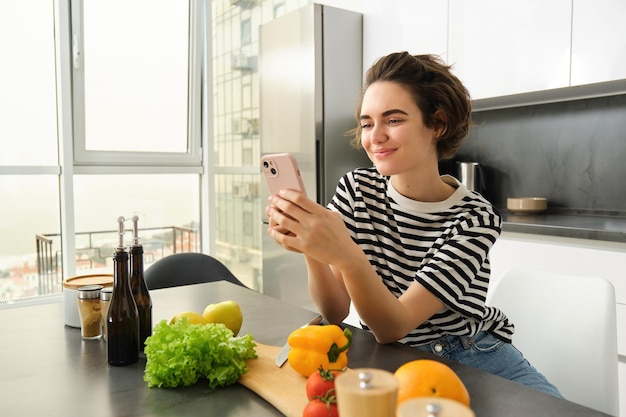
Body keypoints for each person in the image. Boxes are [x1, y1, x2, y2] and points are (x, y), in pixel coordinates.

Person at [265, 51, 561, 397]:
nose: (375, 136)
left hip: (470, 355)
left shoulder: (474, 219)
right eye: (366, 123)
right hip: (390, 358)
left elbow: (395, 325)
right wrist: (310, 246)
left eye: (393, 120)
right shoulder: (356, 190)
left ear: (437, 124)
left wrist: (344, 252)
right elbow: (335, 311)